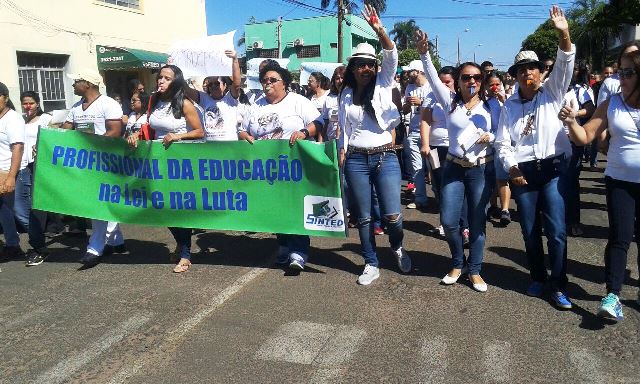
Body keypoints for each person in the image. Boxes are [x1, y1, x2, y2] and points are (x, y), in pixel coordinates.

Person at [495, 6, 575, 309]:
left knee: (556, 231)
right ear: (515, 75)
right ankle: (538, 277)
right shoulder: (509, 106)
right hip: (523, 174)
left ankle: (558, 284)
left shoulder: (553, 92)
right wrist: (512, 168)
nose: (528, 72)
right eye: (522, 69)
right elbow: (503, 143)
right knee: (529, 232)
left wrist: (563, 32)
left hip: (552, 170)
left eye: (533, 67)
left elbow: (566, 62)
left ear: (542, 73)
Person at [558, 49, 640, 321]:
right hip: (619, 181)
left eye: (628, 72)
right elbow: (584, 136)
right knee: (620, 237)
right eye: (620, 72)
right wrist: (571, 122)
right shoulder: (611, 104)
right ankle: (613, 295)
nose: (621, 78)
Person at [417, 30, 499, 293]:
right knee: (450, 221)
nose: (472, 81)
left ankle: (474, 270)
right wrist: (423, 52)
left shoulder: (492, 106)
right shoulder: (449, 101)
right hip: (453, 167)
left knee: (477, 221)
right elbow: (431, 75)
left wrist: (492, 136)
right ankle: (457, 263)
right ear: (459, 81)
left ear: (482, 81)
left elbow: (506, 134)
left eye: (477, 77)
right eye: (466, 77)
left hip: (480, 169)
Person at [337, 5, 411, 286]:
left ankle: (398, 245)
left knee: (393, 215)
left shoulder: (383, 82)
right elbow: (343, 128)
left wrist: (379, 29)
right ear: (352, 69)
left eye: (370, 64)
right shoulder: (345, 94)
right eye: (360, 64)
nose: (365, 68)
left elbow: (391, 53)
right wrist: (342, 151)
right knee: (364, 218)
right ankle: (370, 261)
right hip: (356, 159)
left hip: (385, 158)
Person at [239, 63, 321, 271]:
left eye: (272, 80)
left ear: (284, 83)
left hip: (294, 167)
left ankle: (299, 252)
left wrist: (304, 132)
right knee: (275, 208)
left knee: (294, 207)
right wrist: (244, 136)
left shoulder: (298, 102)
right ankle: (284, 245)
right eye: (264, 80)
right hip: (266, 168)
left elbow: (319, 122)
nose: (267, 84)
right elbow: (242, 130)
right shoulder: (256, 105)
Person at [128, 65, 204, 273]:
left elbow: (199, 131)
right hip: (157, 162)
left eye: (166, 78)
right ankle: (180, 243)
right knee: (161, 207)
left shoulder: (185, 103)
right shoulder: (154, 101)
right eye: (160, 77)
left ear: (176, 81)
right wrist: (138, 135)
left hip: (179, 164)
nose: (161, 81)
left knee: (178, 209)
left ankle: (186, 254)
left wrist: (178, 136)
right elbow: (150, 127)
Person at [62, 69, 126, 267]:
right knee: (99, 201)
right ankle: (116, 241)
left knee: (98, 202)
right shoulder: (75, 107)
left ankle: (94, 247)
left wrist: (91, 149)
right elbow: (66, 131)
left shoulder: (108, 104)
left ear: (88, 84)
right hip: (85, 164)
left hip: (105, 162)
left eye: (76, 81)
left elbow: (114, 132)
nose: (73, 85)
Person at [420, 65, 469, 238]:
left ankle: (464, 224)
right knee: (439, 185)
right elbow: (425, 122)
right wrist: (425, 144)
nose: (443, 85)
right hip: (435, 148)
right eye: (439, 82)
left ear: (455, 81)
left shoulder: (462, 97)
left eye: (447, 82)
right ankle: (444, 222)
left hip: (456, 149)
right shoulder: (431, 97)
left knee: (458, 185)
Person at [18, 91, 51, 266]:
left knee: (35, 206)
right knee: (21, 207)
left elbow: (54, 138)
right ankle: (39, 232)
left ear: (37, 103)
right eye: (24, 103)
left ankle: (38, 244)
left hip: (40, 166)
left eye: (30, 103)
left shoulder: (46, 119)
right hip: (23, 167)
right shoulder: (21, 121)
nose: (27, 106)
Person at [566, 61, 595, 236]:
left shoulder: (579, 90)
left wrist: (574, 115)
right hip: (552, 142)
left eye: (574, 69)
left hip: (572, 140)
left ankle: (574, 220)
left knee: (571, 181)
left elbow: (590, 109)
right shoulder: (550, 88)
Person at [0, 82, 25, 260]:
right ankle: (12, 244)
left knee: (15, 211)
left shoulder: (13, 119)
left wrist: (11, 177)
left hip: (9, 171)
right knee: (4, 211)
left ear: (6, 98)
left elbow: (18, 148)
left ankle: (35, 245)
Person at [402, 60, 432, 210]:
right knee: (416, 166)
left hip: (431, 132)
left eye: (411, 71)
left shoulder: (431, 87)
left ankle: (440, 197)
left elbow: (437, 109)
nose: (408, 74)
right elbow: (406, 111)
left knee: (433, 166)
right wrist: (407, 105)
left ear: (419, 71)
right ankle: (420, 198)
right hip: (414, 131)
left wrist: (421, 103)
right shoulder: (409, 87)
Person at [485, 73, 512, 226]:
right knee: (491, 178)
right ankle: (493, 205)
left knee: (502, 177)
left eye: (497, 84)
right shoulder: (485, 104)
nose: (495, 88)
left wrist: (505, 102)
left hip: (505, 144)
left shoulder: (510, 100)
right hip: (490, 144)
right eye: (491, 85)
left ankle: (505, 210)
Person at [202, 50, 241, 141]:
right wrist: (173, 68)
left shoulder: (230, 98)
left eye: (216, 83)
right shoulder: (204, 99)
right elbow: (186, 89)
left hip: (230, 148)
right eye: (210, 84)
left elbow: (237, 84)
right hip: (210, 149)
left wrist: (235, 60)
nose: (213, 86)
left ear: (224, 85)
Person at [321, 66, 345, 141]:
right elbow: (325, 123)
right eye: (337, 78)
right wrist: (320, 143)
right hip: (331, 142)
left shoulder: (353, 97)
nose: (340, 81)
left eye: (343, 78)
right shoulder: (329, 98)